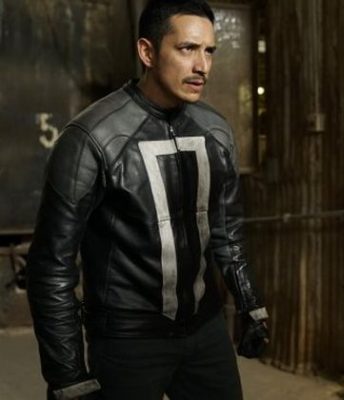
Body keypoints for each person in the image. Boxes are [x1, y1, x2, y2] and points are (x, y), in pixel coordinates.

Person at [26, 1, 268, 399]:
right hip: (127, 341)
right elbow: (51, 265)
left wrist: (250, 303)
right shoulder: (91, 138)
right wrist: (67, 375)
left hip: (205, 333)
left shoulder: (216, 130)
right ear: (147, 52)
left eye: (209, 51)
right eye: (187, 48)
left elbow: (228, 230)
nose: (202, 65)